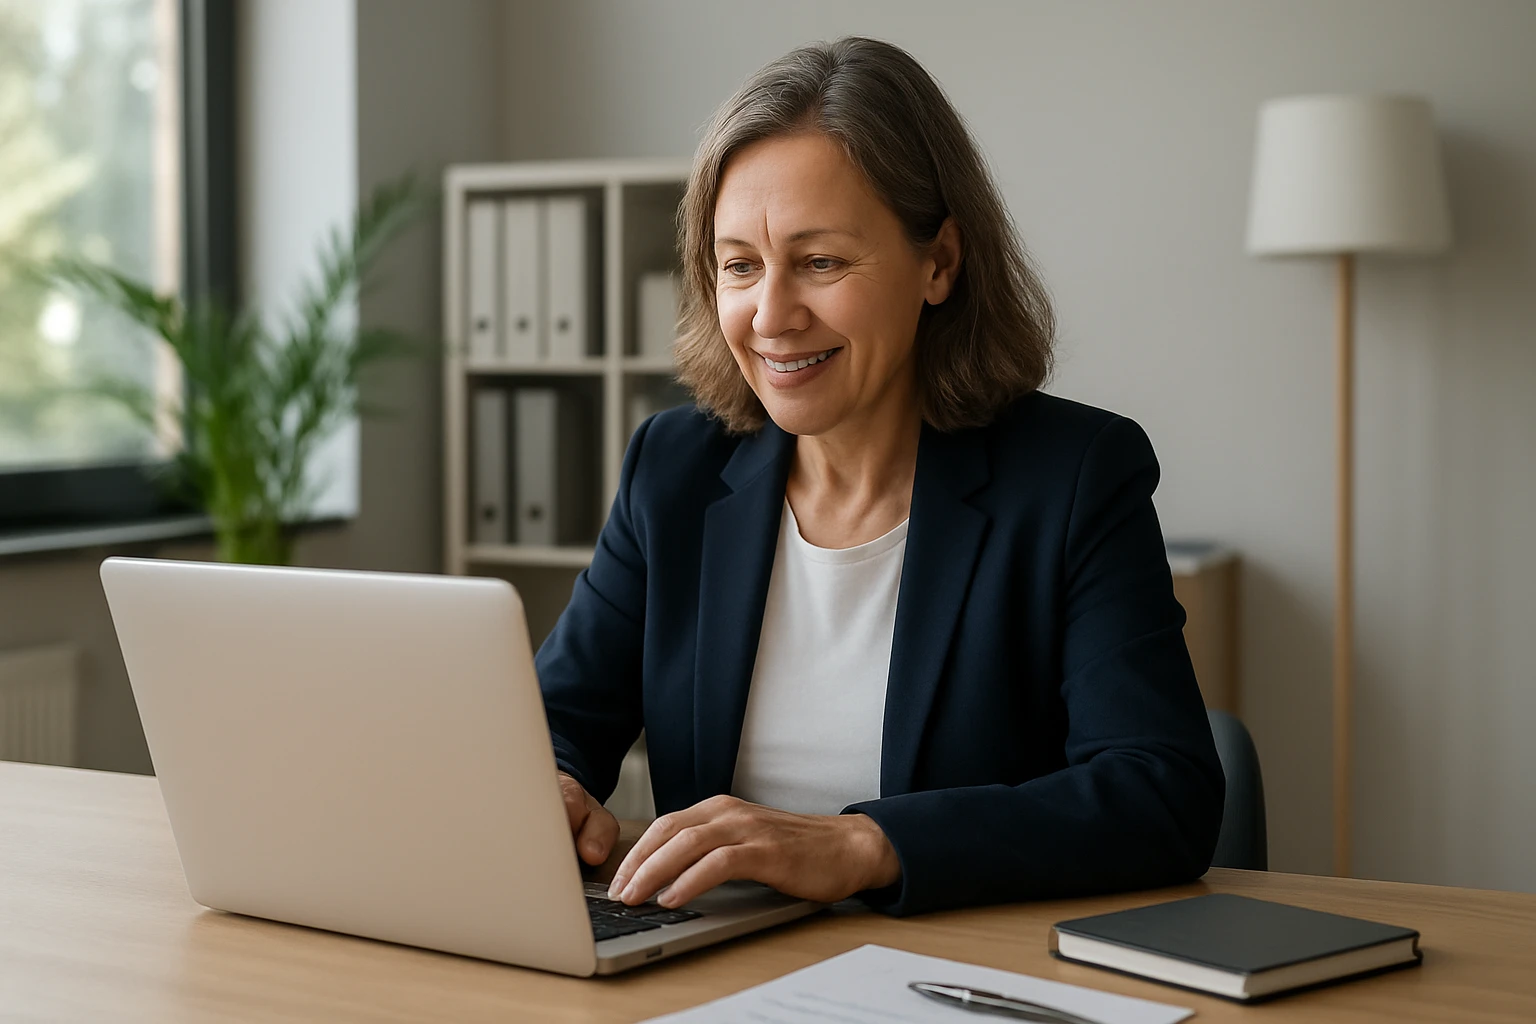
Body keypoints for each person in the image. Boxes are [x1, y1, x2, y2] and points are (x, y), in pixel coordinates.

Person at [536, 36, 1224, 918]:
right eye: (739, 265)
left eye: (821, 262)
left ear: (938, 263)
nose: (771, 315)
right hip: (710, 972)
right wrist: (549, 787)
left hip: (956, 975)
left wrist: (866, 844)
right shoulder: (673, 470)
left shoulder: (1075, 477)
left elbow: (1161, 794)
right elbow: (558, 721)